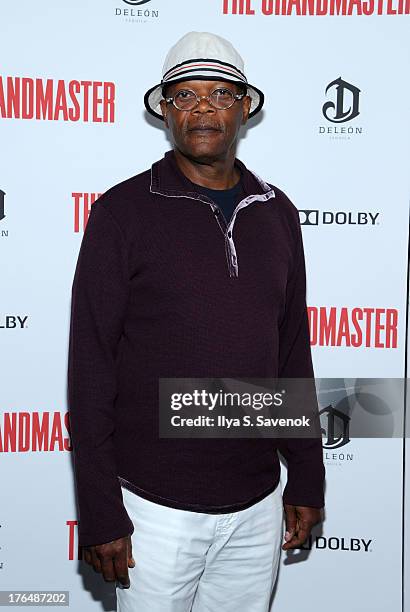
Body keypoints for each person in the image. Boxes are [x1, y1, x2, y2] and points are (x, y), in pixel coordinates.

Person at [67, 31, 325, 612]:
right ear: (164, 112)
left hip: (258, 506)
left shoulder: (278, 212)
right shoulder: (121, 213)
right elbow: (91, 371)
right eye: (183, 95)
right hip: (152, 514)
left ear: (246, 107)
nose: (203, 106)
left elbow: (291, 353)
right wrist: (102, 509)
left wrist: (306, 476)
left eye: (219, 93)